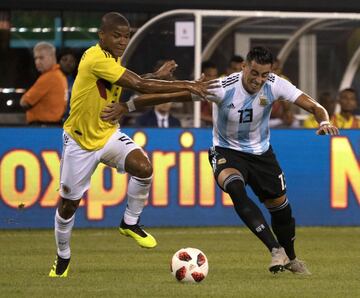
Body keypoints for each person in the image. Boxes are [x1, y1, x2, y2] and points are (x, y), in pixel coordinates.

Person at [102, 46, 339, 275]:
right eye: (254, 73)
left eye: (264, 75)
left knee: (281, 212)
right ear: (244, 67)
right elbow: (175, 95)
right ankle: (275, 250)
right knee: (236, 189)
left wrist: (324, 121)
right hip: (226, 151)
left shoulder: (276, 85)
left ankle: (291, 257)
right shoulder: (223, 87)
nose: (258, 80)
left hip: (261, 155)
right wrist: (127, 105)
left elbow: (313, 106)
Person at [49, 12, 216, 278]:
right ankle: (62, 257)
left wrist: (157, 76)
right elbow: (139, 84)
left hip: (107, 133)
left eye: (126, 36)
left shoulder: (112, 60)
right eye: (116, 35)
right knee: (68, 205)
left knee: (144, 167)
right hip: (80, 142)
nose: (122, 41)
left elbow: (130, 82)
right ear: (101, 35)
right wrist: (189, 85)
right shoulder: (94, 57)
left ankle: (130, 222)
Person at [20, 42, 67, 125]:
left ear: (52, 57)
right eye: (35, 58)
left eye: (41, 58)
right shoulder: (60, 75)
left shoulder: (49, 77)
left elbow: (25, 102)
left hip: (42, 128)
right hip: (52, 127)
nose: (37, 62)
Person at [59, 49, 78, 121]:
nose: (68, 63)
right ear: (58, 61)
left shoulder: (78, 83)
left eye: (71, 61)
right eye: (64, 60)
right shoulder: (51, 80)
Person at [201, 61, 219, 126]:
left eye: (215, 76)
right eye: (209, 76)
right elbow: (193, 115)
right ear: (201, 76)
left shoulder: (221, 92)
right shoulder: (194, 92)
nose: (212, 79)